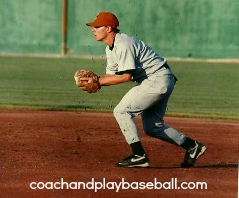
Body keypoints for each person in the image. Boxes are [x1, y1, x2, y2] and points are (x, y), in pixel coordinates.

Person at [85, 12, 207, 168]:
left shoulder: (124, 43)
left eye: (96, 26)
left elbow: (126, 77)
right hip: (158, 79)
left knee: (121, 111)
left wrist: (98, 82)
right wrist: (95, 81)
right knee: (152, 127)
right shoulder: (110, 49)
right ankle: (192, 146)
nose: (93, 30)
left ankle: (139, 155)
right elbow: (111, 75)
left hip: (156, 78)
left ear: (108, 28)